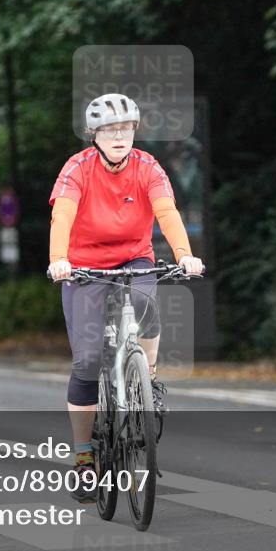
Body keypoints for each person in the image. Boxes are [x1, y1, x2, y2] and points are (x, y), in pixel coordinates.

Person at [47, 93, 204, 502]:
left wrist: (185, 256)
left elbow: (167, 212)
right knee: (86, 362)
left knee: (148, 309)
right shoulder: (77, 168)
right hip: (83, 266)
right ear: (94, 135)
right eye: (109, 130)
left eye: (125, 129)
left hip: (135, 258)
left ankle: (146, 378)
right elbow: (61, 214)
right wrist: (59, 260)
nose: (119, 137)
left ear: (134, 131)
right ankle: (84, 459)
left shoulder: (147, 167)